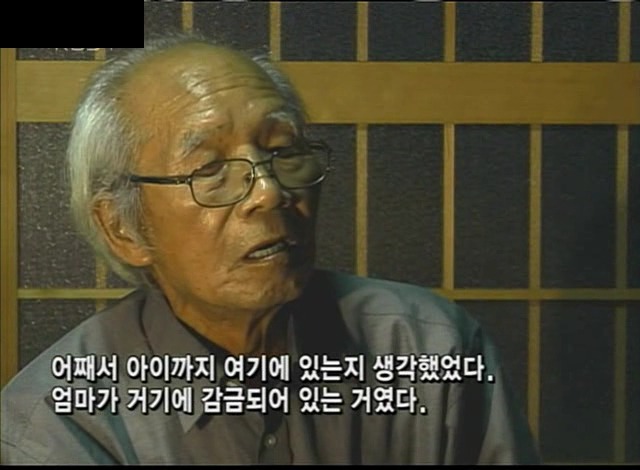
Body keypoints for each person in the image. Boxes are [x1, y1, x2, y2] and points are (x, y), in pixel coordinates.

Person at [0, 35, 540, 464]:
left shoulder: (430, 348)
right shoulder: (55, 424)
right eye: (210, 169)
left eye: (283, 151)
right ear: (124, 228)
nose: (270, 191)